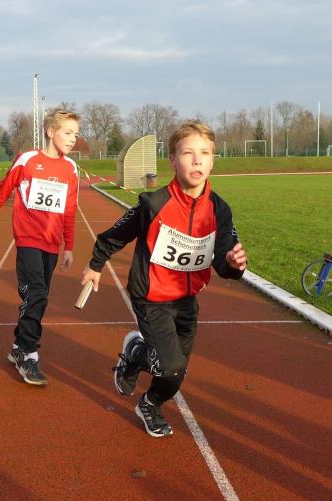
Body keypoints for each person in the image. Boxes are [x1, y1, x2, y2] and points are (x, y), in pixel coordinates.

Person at [80, 121, 247, 437]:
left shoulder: (220, 210)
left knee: (176, 372)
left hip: (186, 301)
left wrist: (233, 264)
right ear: (172, 160)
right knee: (169, 365)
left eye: (205, 153)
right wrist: (95, 264)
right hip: (151, 297)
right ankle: (138, 360)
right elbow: (116, 234)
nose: (197, 160)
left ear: (213, 159)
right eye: (188, 153)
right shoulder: (153, 204)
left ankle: (149, 400)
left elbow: (224, 261)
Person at [0, 109, 80, 386]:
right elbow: (5, 187)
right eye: (68, 133)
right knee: (36, 294)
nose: (73, 139)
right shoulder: (27, 160)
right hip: (27, 239)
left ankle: (18, 346)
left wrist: (69, 246)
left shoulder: (70, 168)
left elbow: (70, 209)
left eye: (75, 134)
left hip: (51, 243)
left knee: (38, 297)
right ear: (50, 131)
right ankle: (28, 354)